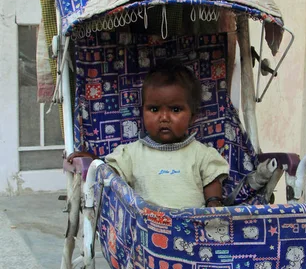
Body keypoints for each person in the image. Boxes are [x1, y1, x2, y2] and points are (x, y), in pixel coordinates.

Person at [70, 61, 229, 209]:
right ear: (142, 113)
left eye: (175, 110)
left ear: (193, 117)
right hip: (147, 230)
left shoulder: (201, 153)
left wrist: (213, 202)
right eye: (154, 109)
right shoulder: (131, 154)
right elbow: (111, 177)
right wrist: (95, 162)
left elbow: (211, 181)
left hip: (193, 230)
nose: (164, 118)